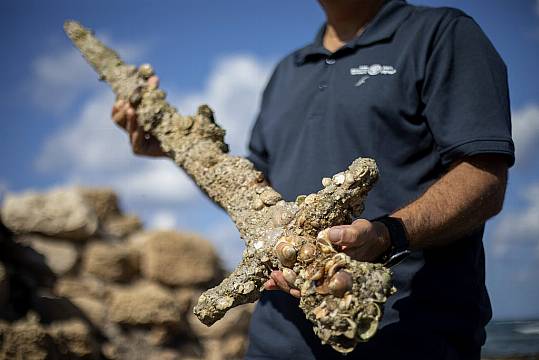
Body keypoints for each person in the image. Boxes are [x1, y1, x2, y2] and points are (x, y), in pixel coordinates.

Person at [111, 0, 514, 358]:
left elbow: (484, 178)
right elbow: (249, 199)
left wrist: (387, 235)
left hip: (410, 336)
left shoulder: (441, 35)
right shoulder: (287, 70)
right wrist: (176, 152)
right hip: (273, 342)